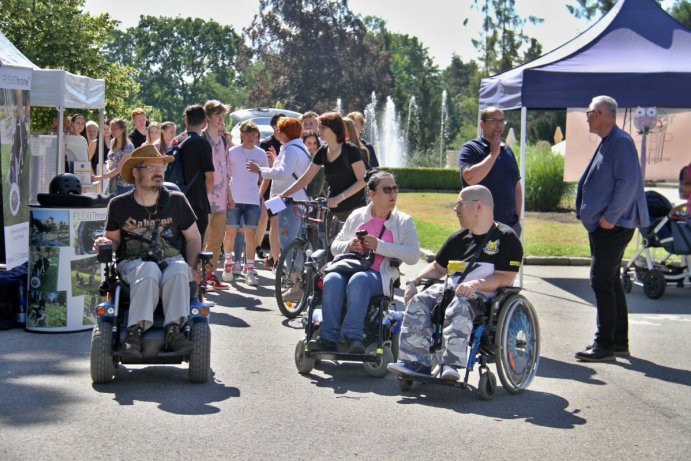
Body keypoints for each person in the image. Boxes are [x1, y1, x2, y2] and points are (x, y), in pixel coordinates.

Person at [388, 185, 523, 381]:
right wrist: (414, 281)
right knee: (419, 301)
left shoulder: (506, 238)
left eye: (459, 203)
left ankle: (450, 364)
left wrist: (475, 284)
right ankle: (414, 362)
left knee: (460, 304)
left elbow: (505, 277)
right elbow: (438, 268)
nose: (455, 209)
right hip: (450, 292)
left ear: (478, 206)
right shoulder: (458, 238)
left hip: (482, 298)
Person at [95, 144, 202, 355]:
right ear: (136, 172)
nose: (159, 172)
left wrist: (193, 266)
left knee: (180, 269)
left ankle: (174, 330)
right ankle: (134, 332)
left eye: (161, 167)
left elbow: (194, 237)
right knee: (149, 270)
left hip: (170, 259)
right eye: (151, 167)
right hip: (134, 263)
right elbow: (113, 240)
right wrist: (104, 243)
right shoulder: (119, 205)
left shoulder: (177, 201)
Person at [309, 171, 420, 353]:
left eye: (395, 189)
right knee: (332, 279)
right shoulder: (357, 215)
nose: (393, 194)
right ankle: (327, 337)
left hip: (379, 274)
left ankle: (353, 335)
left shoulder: (403, 221)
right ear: (372, 193)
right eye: (387, 189)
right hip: (347, 267)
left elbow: (413, 255)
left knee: (359, 280)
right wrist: (349, 245)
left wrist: (379, 246)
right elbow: (335, 246)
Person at [574, 95, 648, 363]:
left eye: (590, 112)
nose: (587, 116)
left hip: (613, 226)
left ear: (604, 114)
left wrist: (611, 217)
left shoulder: (621, 142)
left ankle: (604, 345)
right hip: (605, 225)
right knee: (611, 281)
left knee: (601, 281)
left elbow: (628, 184)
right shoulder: (611, 141)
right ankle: (618, 343)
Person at [279, 112, 367, 225]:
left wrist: (340, 198)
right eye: (319, 126)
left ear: (334, 129)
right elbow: (306, 178)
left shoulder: (351, 150)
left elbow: (363, 180)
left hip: (355, 210)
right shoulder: (323, 151)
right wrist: (284, 194)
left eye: (323, 127)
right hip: (333, 210)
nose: (319, 130)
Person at [247, 117, 311, 259]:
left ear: (285, 133)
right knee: (278, 230)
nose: (277, 133)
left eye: (279, 130)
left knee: (287, 239)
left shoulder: (291, 150)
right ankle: (276, 262)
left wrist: (260, 170)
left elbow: (283, 173)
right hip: (287, 199)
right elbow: (287, 170)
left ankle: (290, 271)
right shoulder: (298, 148)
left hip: (288, 200)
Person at [458, 107, 522, 236]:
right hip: (479, 228)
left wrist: (517, 219)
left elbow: (516, 185)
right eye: (494, 121)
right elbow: (470, 178)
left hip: (509, 227)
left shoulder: (508, 151)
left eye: (502, 121)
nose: (499, 125)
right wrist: (493, 154)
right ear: (482, 124)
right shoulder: (471, 149)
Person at [222, 120, 268, 286]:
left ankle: (249, 270)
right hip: (234, 198)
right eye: (248, 134)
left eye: (254, 135)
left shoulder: (261, 154)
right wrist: (228, 196)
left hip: (252, 200)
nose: (251, 137)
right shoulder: (232, 152)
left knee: (251, 235)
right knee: (230, 232)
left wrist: (259, 194)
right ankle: (228, 264)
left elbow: (266, 177)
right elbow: (226, 175)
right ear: (241, 135)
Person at [200, 100, 233, 290]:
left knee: (217, 238)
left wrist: (229, 194)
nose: (221, 120)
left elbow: (226, 170)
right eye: (218, 116)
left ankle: (210, 274)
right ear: (208, 118)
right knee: (202, 237)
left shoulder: (223, 141)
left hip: (221, 197)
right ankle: (198, 276)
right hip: (204, 197)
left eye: (223, 116)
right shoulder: (201, 139)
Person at [178, 104, 215, 240]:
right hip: (197, 202)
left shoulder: (177, 141)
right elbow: (210, 176)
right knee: (195, 244)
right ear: (205, 122)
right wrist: (203, 193)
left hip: (177, 198)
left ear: (186, 120)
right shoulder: (202, 143)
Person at [93, 119, 135, 195]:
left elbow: (119, 169)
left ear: (122, 130)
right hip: (112, 182)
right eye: (111, 129)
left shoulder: (129, 146)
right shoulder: (112, 142)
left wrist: (99, 178)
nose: (112, 131)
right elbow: (110, 160)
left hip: (124, 185)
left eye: (115, 129)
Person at [301, 129, 327, 198]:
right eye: (309, 143)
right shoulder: (300, 161)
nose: (312, 147)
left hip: (320, 199)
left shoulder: (323, 159)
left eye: (315, 143)